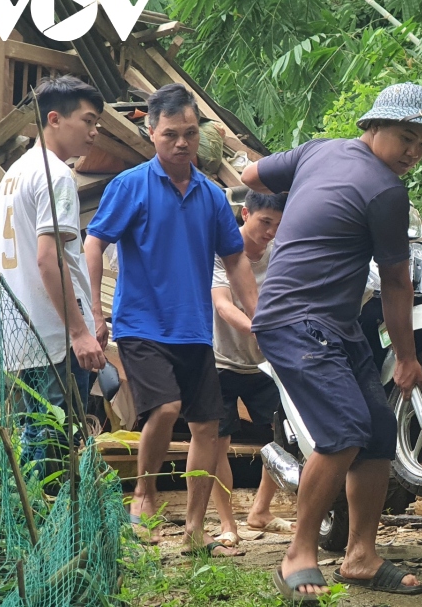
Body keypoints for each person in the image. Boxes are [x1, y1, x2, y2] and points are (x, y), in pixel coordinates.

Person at [241, 83, 422, 600]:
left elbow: (249, 175)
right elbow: (398, 283)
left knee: (378, 434)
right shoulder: (386, 192)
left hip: (339, 324)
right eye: (406, 137)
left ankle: (360, 556)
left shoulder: (318, 150)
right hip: (296, 320)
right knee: (344, 432)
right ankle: (298, 555)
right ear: (372, 126)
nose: (413, 152)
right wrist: (406, 358)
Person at [85, 83, 258, 557]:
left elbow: (236, 259)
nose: (181, 143)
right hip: (141, 325)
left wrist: (259, 314)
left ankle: (195, 528)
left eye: (188, 134)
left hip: (195, 330)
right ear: (151, 132)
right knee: (164, 408)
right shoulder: (131, 185)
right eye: (170, 135)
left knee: (208, 429)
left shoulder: (211, 195)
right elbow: (94, 241)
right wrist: (93, 311)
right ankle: (144, 492)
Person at [0, 76, 107, 470]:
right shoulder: (56, 176)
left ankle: (33, 522)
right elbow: (48, 258)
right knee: (59, 438)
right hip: (55, 334)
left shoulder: (13, 174)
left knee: (33, 432)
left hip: (21, 332)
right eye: (88, 121)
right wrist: (78, 330)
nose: (94, 132)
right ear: (54, 119)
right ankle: (56, 527)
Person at [208, 190, 292, 547]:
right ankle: (228, 524)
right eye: (264, 222)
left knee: (284, 433)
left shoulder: (282, 255)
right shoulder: (220, 250)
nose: (270, 231)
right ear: (245, 214)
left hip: (265, 362)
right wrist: (260, 329)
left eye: (277, 224)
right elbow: (223, 305)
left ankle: (261, 510)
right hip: (219, 359)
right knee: (216, 443)